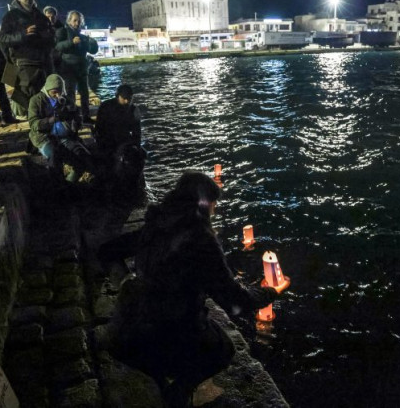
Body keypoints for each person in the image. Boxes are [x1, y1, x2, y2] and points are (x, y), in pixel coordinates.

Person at [101, 172, 289, 406]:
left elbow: (106, 251)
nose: (214, 211)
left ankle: (160, 382)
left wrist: (126, 282)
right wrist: (272, 290)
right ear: (204, 204)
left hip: (128, 330)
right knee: (223, 350)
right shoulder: (200, 242)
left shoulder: (155, 226)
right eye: (213, 204)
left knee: (161, 352)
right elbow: (235, 302)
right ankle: (179, 391)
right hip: (170, 330)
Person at [28, 73, 95, 183]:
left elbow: (76, 116)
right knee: (55, 157)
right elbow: (33, 124)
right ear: (48, 90)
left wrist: (75, 118)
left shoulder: (65, 100)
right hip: (44, 137)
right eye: (54, 92)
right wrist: (52, 119)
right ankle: (58, 186)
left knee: (83, 157)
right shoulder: (36, 100)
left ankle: (69, 183)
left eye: (60, 91)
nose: (57, 95)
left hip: (64, 137)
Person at [0, 0, 54, 118]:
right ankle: (33, 125)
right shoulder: (11, 16)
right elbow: (2, 38)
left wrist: (45, 36)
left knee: (42, 100)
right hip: (23, 64)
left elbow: (51, 39)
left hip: (42, 63)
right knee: (28, 101)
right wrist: (24, 34)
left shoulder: (40, 16)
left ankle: (40, 125)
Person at [94, 84, 146, 189]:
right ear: (117, 96)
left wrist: (136, 146)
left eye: (129, 99)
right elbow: (99, 128)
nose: (127, 101)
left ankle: (136, 179)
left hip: (124, 140)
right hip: (107, 140)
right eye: (124, 98)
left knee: (142, 154)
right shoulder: (106, 106)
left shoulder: (134, 110)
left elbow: (137, 133)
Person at [54, 10, 98, 124]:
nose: (77, 23)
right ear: (69, 21)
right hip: (68, 68)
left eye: (79, 21)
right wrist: (71, 42)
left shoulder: (83, 36)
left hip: (82, 69)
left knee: (85, 93)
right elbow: (57, 46)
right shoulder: (62, 31)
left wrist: (93, 43)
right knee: (70, 94)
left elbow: (93, 50)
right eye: (74, 20)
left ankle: (86, 116)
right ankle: (72, 118)